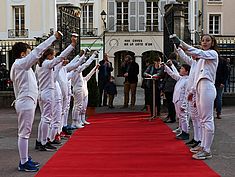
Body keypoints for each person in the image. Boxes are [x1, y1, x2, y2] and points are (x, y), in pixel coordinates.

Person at [10, 31, 62, 172]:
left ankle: (25, 158)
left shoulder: (20, 65)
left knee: (25, 133)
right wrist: (52, 38)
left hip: (27, 101)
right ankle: (23, 162)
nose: (31, 54)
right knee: (24, 133)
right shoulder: (21, 64)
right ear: (22, 54)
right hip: (25, 101)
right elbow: (38, 52)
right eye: (28, 52)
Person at [174, 34, 219, 160]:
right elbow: (195, 75)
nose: (205, 42)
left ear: (212, 42)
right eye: (203, 40)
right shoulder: (200, 60)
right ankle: (203, 145)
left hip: (207, 87)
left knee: (206, 119)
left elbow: (197, 52)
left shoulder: (212, 54)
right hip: (200, 88)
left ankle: (207, 149)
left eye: (207, 40)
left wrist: (181, 43)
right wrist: (192, 92)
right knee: (202, 119)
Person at [35, 36, 76, 151]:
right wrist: (72, 46)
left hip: (43, 92)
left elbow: (55, 69)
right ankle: (43, 142)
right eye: (52, 55)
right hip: (48, 93)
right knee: (47, 118)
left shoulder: (41, 65)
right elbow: (60, 58)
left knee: (44, 118)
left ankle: (41, 140)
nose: (54, 57)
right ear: (48, 56)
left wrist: (61, 64)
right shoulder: (47, 63)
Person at [175, 46, 201, 147]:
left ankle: (199, 140)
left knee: (198, 119)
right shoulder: (194, 63)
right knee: (194, 118)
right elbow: (185, 57)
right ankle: (196, 138)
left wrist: (193, 91)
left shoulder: (200, 64)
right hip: (190, 94)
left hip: (195, 93)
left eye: (193, 53)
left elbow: (197, 79)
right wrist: (178, 48)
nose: (191, 55)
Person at [71, 51, 98, 128]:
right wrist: (93, 56)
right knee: (78, 106)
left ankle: (81, 120)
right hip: (78, 89)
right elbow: (86, 64)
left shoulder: (79, 71)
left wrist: (94, 69)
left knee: (82, 107)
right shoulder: (76, 69)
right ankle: (75, 122)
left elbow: (87, 77)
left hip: (82, 90)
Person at [163, 61, 191, 140]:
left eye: (182, 69)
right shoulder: (181, 78)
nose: (180, 69)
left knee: (183, 117)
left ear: (186, 71)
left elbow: (187, 94)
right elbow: (173, 74)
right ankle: (182, 130)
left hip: (181, 100)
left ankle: (185, 132)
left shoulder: (187, 80)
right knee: (180, 117)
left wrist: (184, 104)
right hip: (177, 100)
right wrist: (166, 66)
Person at [162, 53, 178, 123]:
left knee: (170, 102)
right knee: (172, 102)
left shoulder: (169, 64)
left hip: (169, 85)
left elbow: (165, 73)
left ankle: (171, 117)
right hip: (175, 85)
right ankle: (171, 116)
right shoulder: (177, 64)